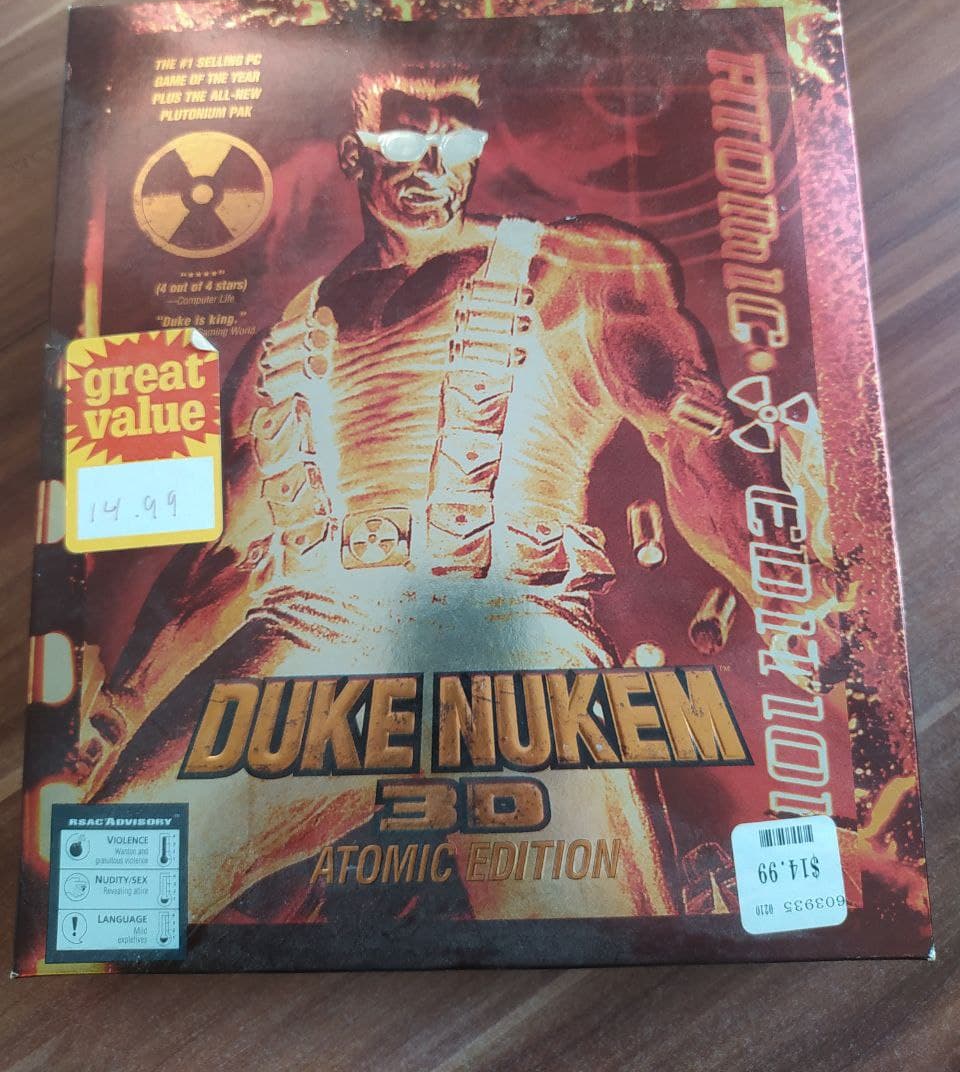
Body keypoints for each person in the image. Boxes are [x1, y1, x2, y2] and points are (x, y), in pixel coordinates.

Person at [77, 64, 842, 923]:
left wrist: (791, 593)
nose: (433, 165)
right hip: (307, 643)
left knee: (592, 934)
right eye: (408, 138)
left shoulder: (576, 266)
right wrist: (118, 715)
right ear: (357, 154)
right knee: (100, 885)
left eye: (457, 142)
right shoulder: (279, 345)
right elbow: (219, 566)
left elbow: (692, 427)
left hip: (513, 632)